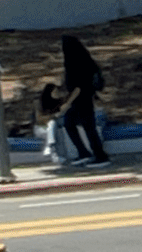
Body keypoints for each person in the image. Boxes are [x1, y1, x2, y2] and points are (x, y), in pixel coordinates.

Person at [37, 35, 110, 168]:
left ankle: (100, 156)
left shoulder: (74, 63)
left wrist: (67, 103)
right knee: (72, 124)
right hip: (84, 98)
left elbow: (78, 87)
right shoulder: (85, 60)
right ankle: (84, 152)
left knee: (87, 127)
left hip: (81, 100)